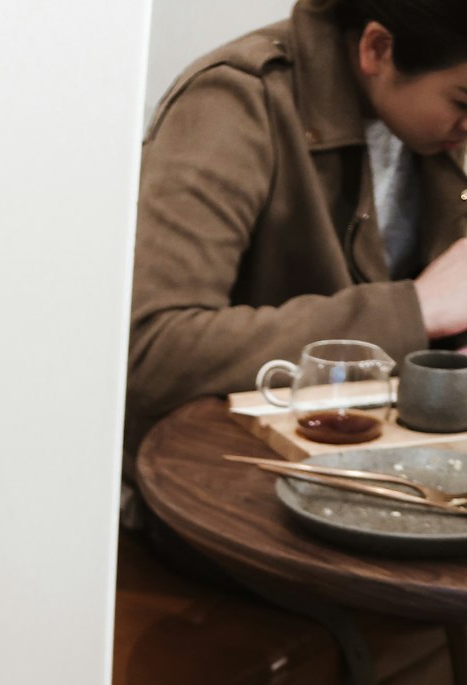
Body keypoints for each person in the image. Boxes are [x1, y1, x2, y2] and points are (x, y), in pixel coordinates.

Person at [125, 0, 467, 471]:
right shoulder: (236, 100)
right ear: (377, 48)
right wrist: (416, 310)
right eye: (463, 102)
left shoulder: (436, 125)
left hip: (395, 467)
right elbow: (156, 351)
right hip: (231, 482)